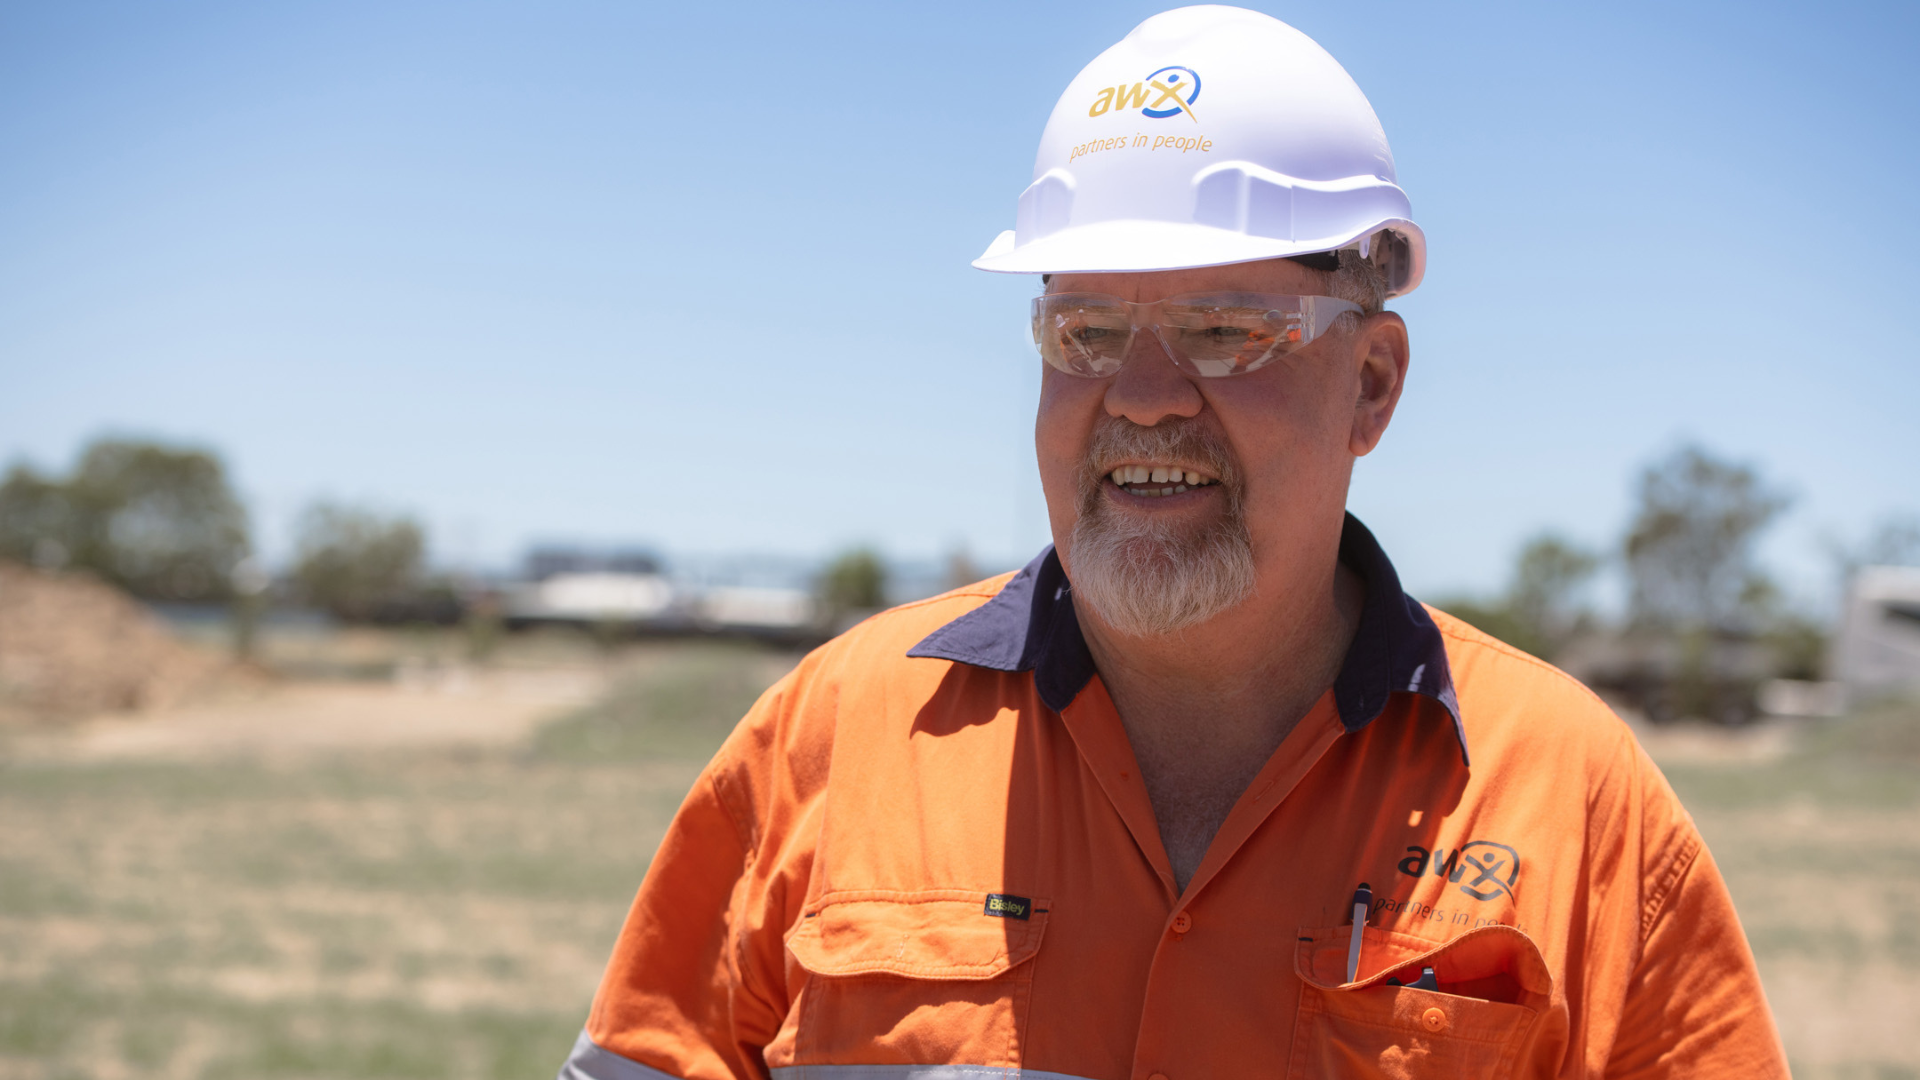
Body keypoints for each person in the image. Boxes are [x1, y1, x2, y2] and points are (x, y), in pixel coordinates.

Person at [557, 7, 1789, 1078]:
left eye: (1220, 329)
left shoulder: (1574, 800)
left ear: (1372, 382)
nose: (1141, 398)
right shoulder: (825, 742)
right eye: (1085, 333)